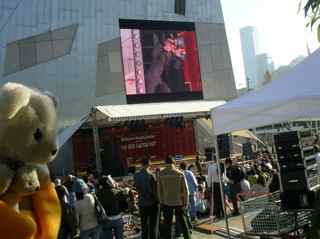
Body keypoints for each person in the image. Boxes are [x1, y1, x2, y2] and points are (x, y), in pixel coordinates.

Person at [158, 155, 191, 239]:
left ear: (165, 163)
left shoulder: (160, 174)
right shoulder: (179, 173)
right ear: (174, 162)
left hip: (166, 202)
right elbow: (186, 190)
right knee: (183, 223)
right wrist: (185, 203)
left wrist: (161, 202)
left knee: (167, 225)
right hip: (179, 202)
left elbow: (159, 190)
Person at [134, 157, 159, 239]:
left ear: (141, 164)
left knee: (144, 224)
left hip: (142, 203)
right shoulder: (151, 175)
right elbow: (154, 190)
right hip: (152, 203)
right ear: (149, 164)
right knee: (153, 225)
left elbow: (137, 188)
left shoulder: (136, 175)